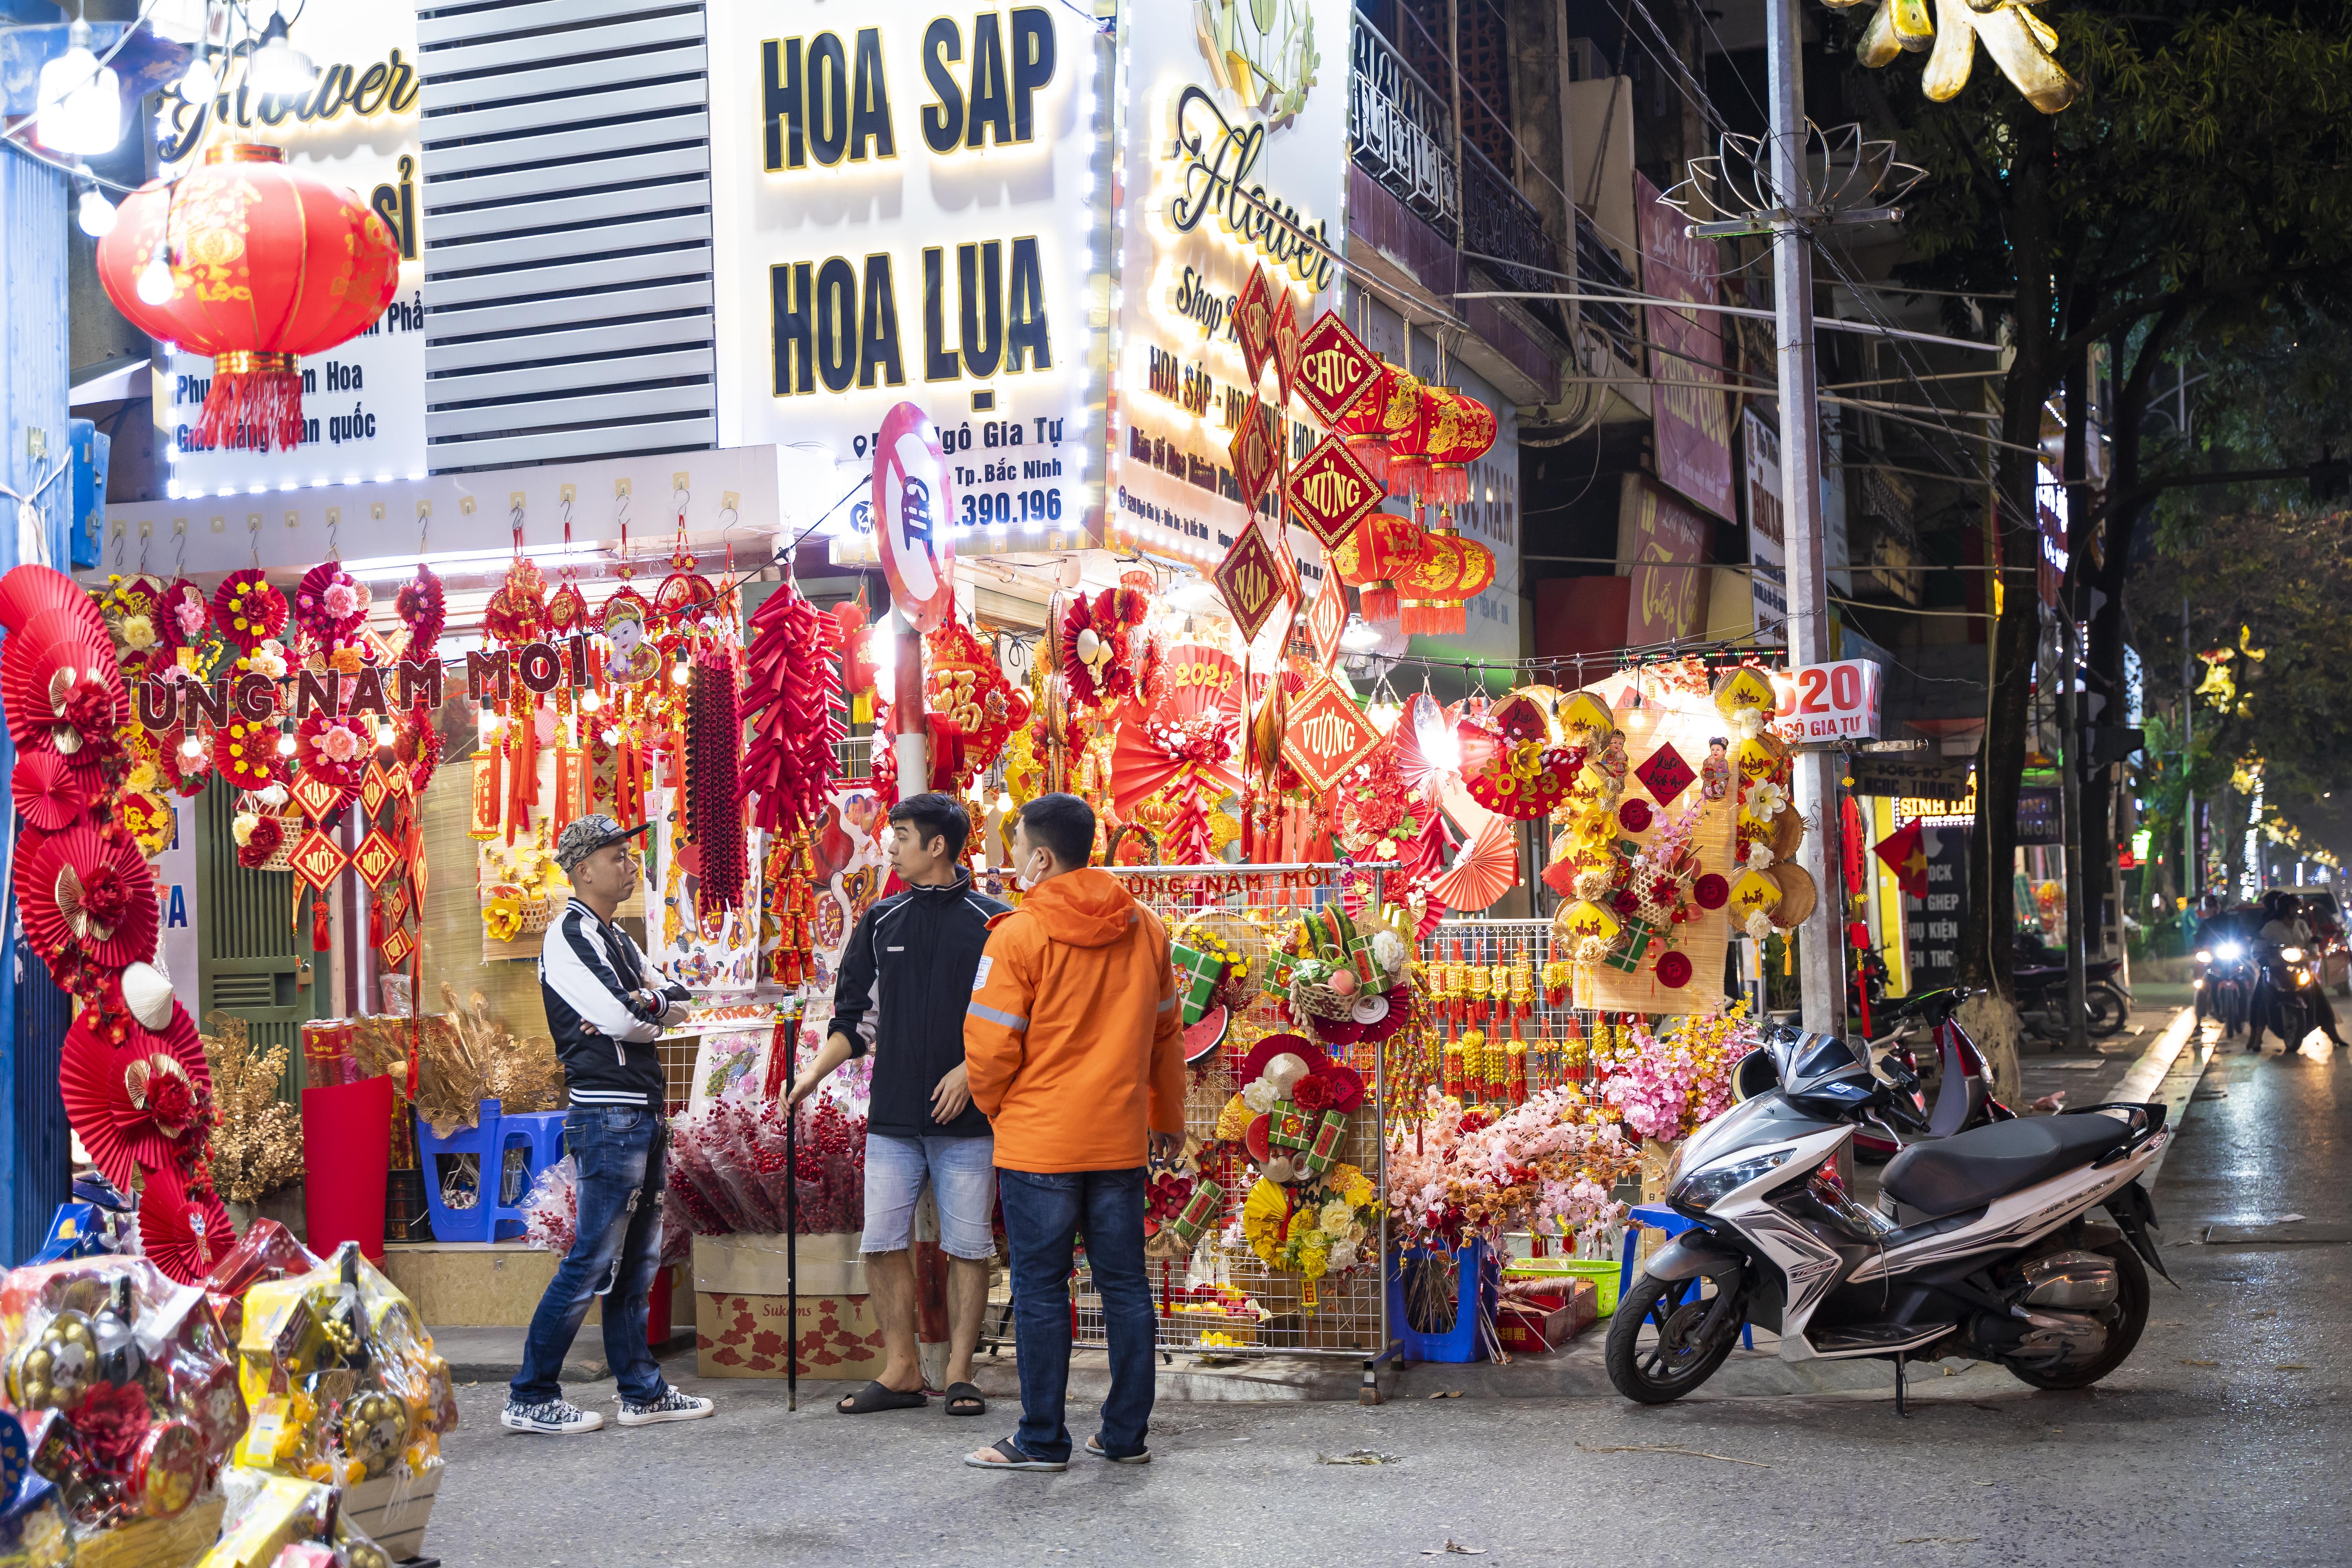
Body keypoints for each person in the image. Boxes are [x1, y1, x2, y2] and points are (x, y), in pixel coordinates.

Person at [961, 793, 1184, 1472]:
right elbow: (1166, 1034)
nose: (1012, 860)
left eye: (1017, 846)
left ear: (1043, 856)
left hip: (1039, 1143)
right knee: (1124, 1289)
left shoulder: (1017, 936)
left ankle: (1041, 1439)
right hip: (1117, 1143)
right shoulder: (1146, 927)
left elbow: (990, 1047)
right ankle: (1124, 1436)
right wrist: (1166, 1119)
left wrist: (1001, 1109)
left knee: (1039, 1288)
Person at [788, 792, 1009, 1419]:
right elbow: (857, 1020)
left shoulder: (996, 921)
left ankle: (962, 1374)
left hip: (970, 1121)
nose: (891, 845)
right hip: (892, 1120)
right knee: (883, 1240)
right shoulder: (881, 921)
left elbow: (1021, 1019)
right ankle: (903, 1369)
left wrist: (973, 1070)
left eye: (903, 835)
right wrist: (810, 1076)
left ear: (937, 845)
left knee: (969, 1247)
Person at [505, 815, 715, 1435]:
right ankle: (531, 1393)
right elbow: (629, 1019)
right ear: (583, 869)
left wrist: (648, 1006)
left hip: (637, 1109)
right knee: (593, 1259)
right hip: (607, 1112)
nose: (631, 867)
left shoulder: (615, 938)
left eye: (629, 856)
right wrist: (647, 1009)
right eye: (618, 856)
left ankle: (641, 1390)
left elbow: (678, 997)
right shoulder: (570, 935)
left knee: (638, 1258)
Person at [2250, 891, 2349, 1051]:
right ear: (2285, 908)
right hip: (2277, 969)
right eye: (2294, 907)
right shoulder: (2270, 927)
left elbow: (2311, 941)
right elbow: (2258, 946)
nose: (2297, 910)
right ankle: (2257, 1038)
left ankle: (2333, 1034)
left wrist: (2313, 952)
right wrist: (2262, 956)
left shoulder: (2301, 925)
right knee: (2263, 997)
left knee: (2319, 997)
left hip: (2300, 968)